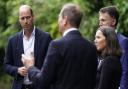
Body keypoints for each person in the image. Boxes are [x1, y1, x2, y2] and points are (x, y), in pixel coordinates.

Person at [22, 3, 97, 89]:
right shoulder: (91, 48)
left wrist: (30, 67)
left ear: (65, 20)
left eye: (59, 17)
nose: (58, 21)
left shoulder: (57, 45)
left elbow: (42, 82)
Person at [4, 5, 52, 89]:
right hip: (20, 86)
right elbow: (6, 65)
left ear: (33, 17)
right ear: (19, 20)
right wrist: (17, 70)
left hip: (40, 86)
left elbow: (51, 64)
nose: (25, 21)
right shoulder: (12, 40)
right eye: (22, 18)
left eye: (28, 17)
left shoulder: (46, 38)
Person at [99, 6, 128, 89]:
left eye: (103, 20)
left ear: (113, 21)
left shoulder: (123, 41)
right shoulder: (100, 41)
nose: (100, 23)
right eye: (99, 20)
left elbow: (124, 70)